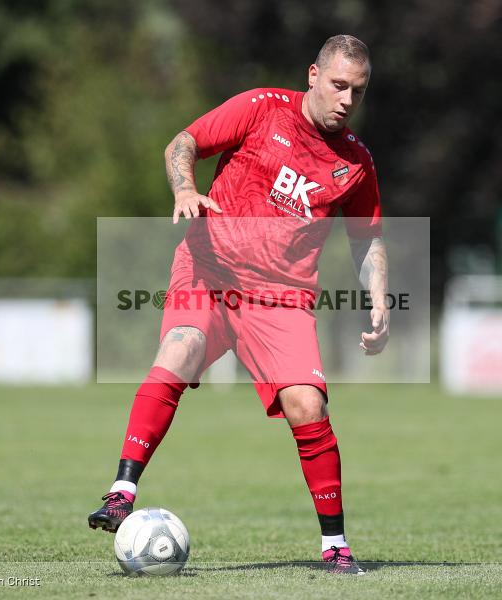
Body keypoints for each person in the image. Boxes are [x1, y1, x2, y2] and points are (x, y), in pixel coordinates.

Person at [89, 35, 388, 575]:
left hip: (280, 297)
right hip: (209, 271)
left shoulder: (356, 163)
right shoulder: (260, 109)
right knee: (180, 350)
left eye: (358, 91)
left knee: (308, 406)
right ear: (313, 75)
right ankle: (120, 492)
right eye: (339, 85)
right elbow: (181, 143)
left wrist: (379, 300)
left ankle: (336, 546)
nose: (346, 99)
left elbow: (368, 239)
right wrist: (184, 189)